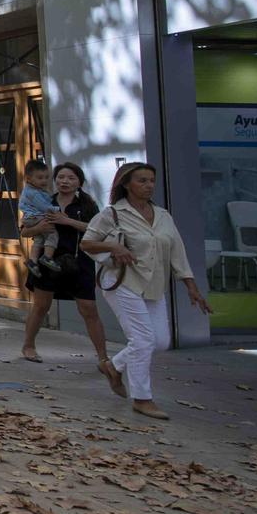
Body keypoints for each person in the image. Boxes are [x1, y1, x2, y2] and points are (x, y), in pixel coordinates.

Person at [79, 162, 211, 421]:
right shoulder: (112, 214)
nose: (149, 185)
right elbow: (86, 243)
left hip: (154, 284)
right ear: (126, 184)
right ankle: (142, 398)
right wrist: (115, 248)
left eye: (151, 180)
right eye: (142, 181)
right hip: (122, 282)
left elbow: (177, 252)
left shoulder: (163, 215)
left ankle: (114, 366)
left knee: (160, 341)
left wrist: (191, 287)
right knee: (142, 340)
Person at [16, 162, 123, 395]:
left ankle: (103, 358)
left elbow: (99, 231)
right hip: (48, 262)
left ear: (79, 182)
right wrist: (40, 226)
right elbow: (24, 230)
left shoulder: (87, 204)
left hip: (78, 263)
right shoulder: (44, 200)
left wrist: (68, 222)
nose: (64, 181)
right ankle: (29, 345)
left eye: (70, 178)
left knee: (88, 309)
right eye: (61, 177)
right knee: (41, 306)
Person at [18, 159, 61, 269]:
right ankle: (47, 257)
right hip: (35, 217)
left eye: (46, 177)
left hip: (31, 217)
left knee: (39, 239)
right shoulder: (33, 193)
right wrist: (59, 211)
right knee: (52, 233)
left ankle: (33, 261)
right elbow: (44, 207)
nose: (44, 181)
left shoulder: (36, 190)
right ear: (28, 178)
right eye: (40, 178)